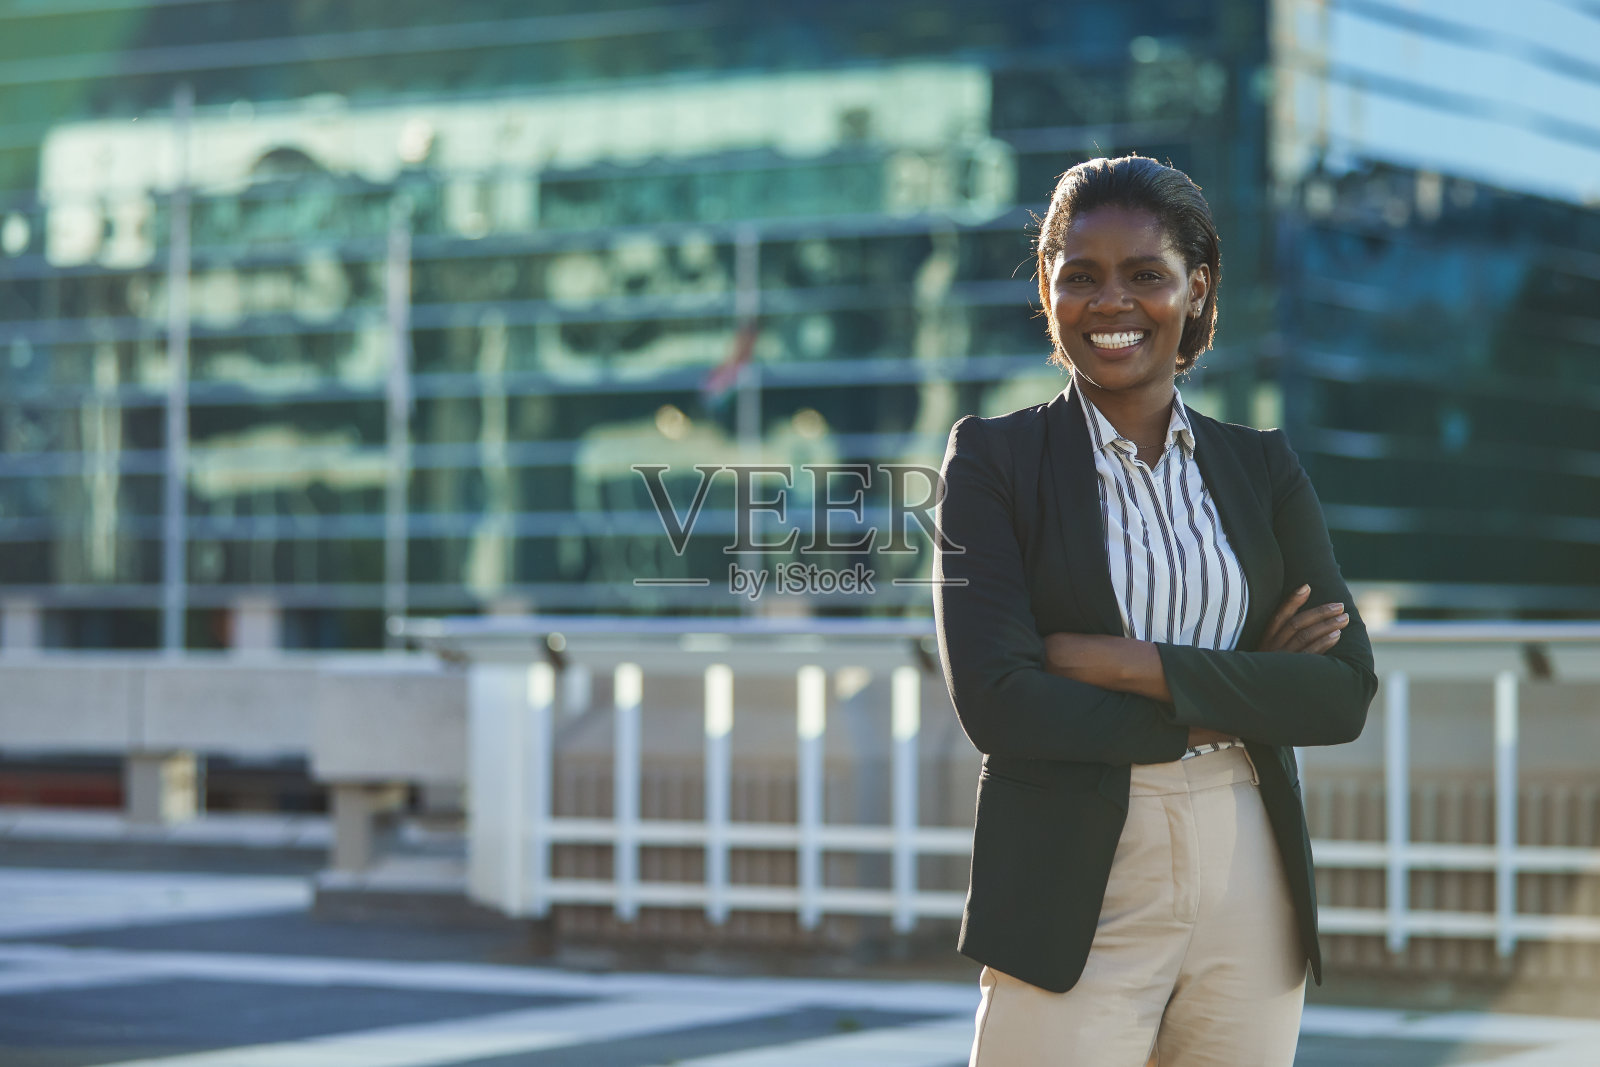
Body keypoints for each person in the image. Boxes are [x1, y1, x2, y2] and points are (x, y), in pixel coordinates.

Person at [932, 154, 1379, 1066]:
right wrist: (1248, 685)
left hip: (1249, 859)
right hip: (1073, 865)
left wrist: (1123, 661)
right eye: (1081, 276)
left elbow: (1338, 692)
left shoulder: (1262, 471)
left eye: (1146, 274)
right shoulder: (992, 463)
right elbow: (998, 701)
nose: (1112, 303)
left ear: (1195, 288)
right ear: (1049, 293)